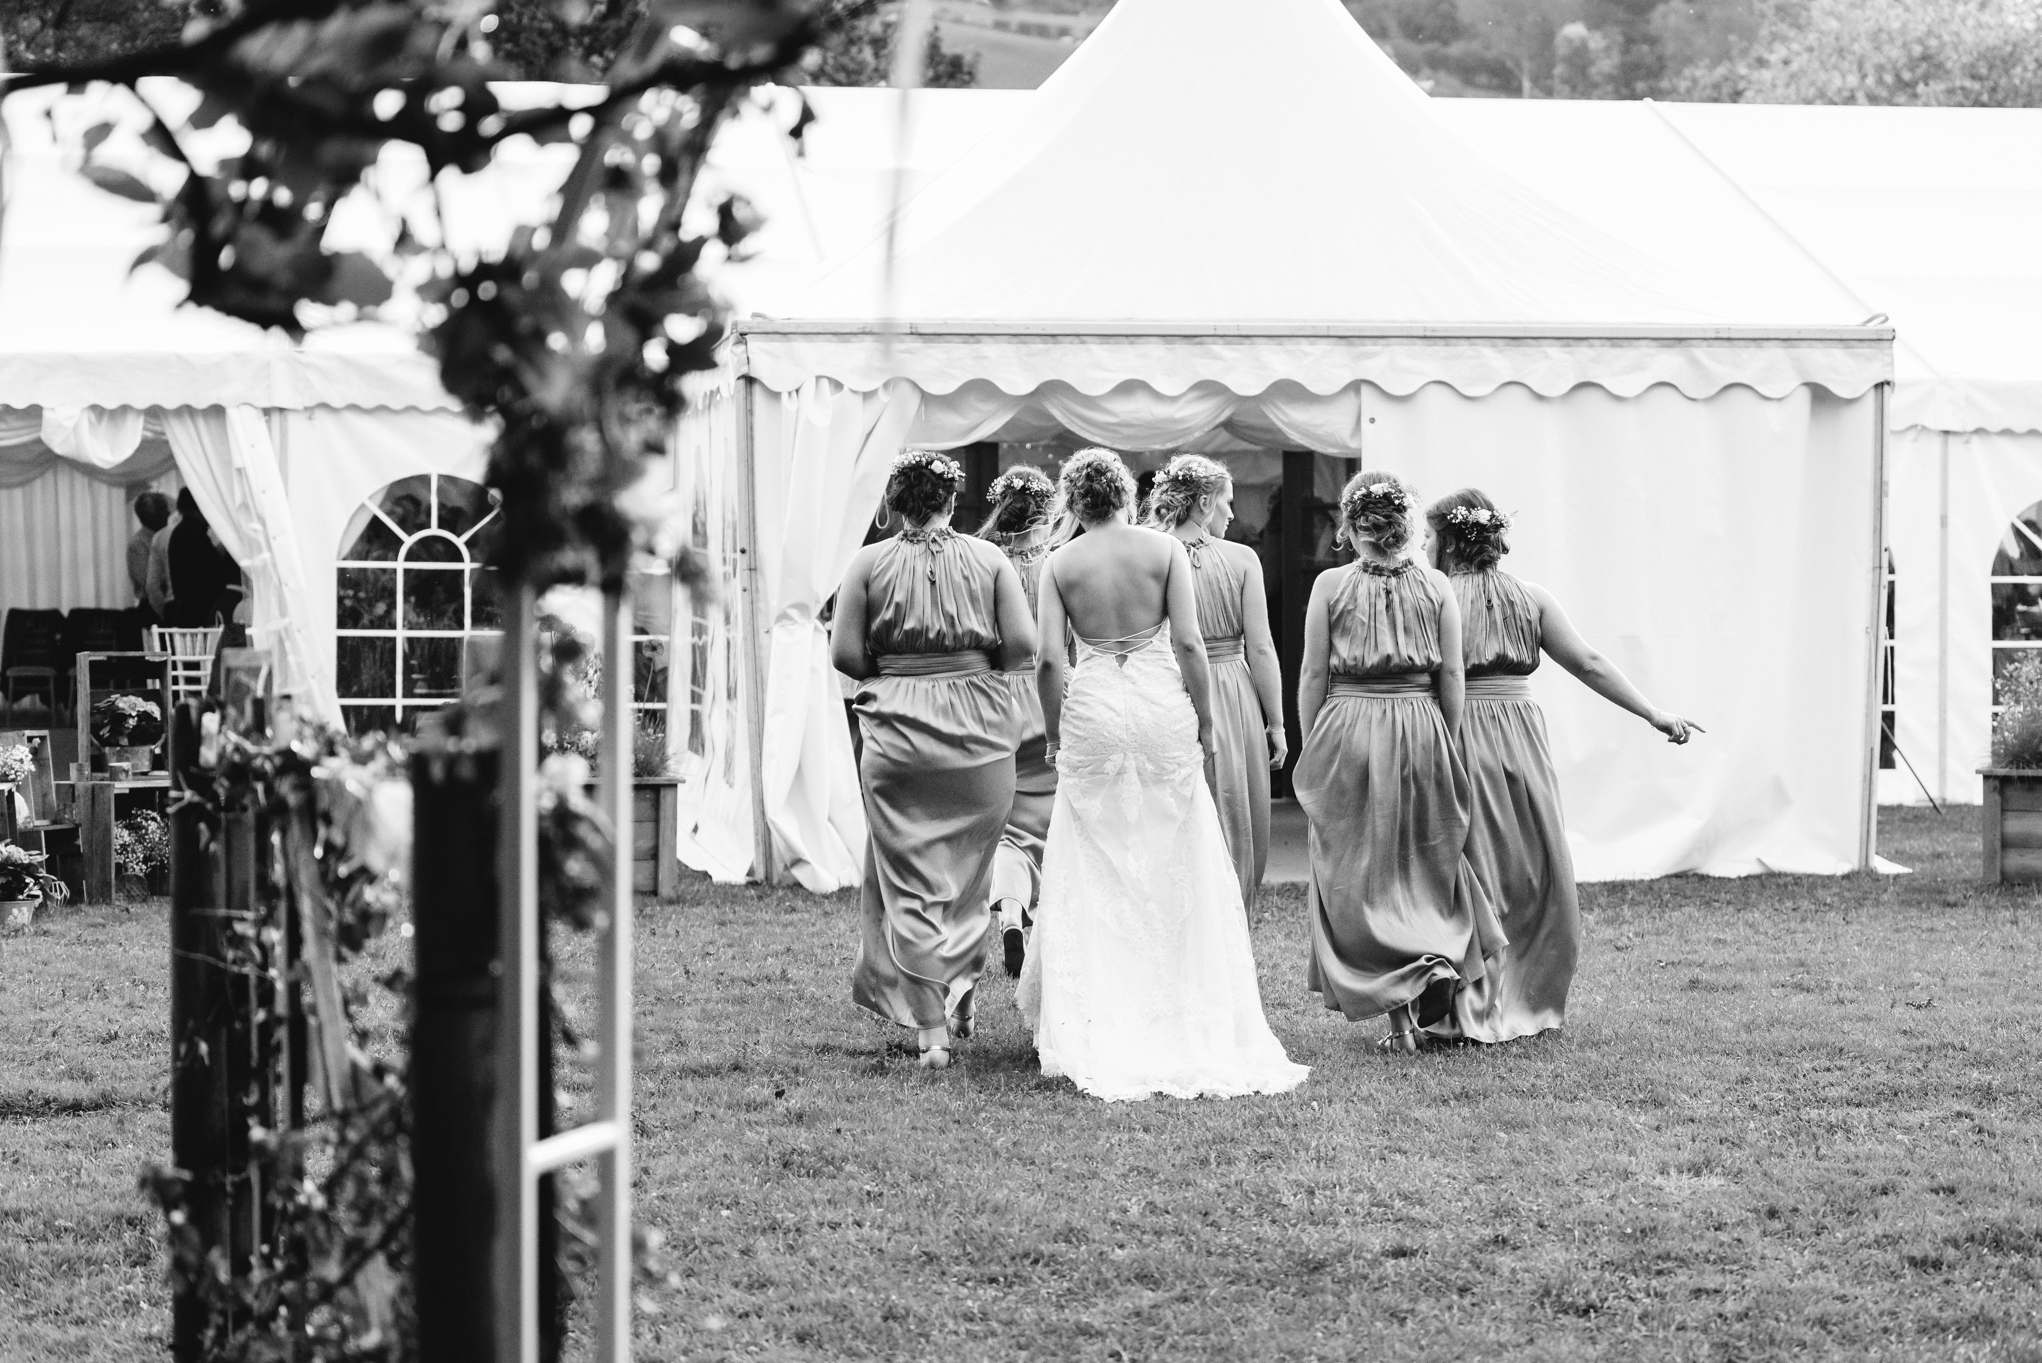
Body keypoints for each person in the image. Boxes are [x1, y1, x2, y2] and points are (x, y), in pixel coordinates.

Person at [1017, 448, 1307, 1102]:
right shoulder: (1163, 551)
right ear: (1124, 493)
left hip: (1092, 706)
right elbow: (1189, 643)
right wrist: (1205, 719)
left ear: (1074, 500)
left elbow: (1047, 661)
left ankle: (1097, 1010)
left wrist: (1058, 731)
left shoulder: (1059, 563)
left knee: (1094, 857)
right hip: (1157, 708)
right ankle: (1179, 1008)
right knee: (1176, 851)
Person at [1421, 489, 1701, 1044]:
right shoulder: (1533, 597)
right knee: (1529, 865)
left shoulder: (1435, 597)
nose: (1425, 546)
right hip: (1520, 734)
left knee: (1467, 865)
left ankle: (1467, 1007)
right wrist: (1654, 713)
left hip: (1454, 729)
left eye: (1430, 537)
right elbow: (1589, 663)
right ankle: (1521, 999)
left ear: (1451, 542)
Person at [832, 449, 1036, 1070]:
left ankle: (931, 1033)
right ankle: (964, 991)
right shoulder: (990, 557)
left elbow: (844, 654)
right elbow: (1023, 646)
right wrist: (970, 671)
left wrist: (897, 673)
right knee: (972, 874)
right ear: (952, 501)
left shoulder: (867, 562)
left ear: (895, 504)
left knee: (910, 880)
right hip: (979, 728)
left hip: (897, 730)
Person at [1293, 470, 1502, 1054]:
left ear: (1352, 525)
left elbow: (1313, 673)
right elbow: (1452, 673)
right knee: (1424, 860)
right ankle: (1431, 968)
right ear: (1405, 524)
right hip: (1420, 725)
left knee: (1357, 869)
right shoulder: (1437, 585)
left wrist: (1314, 743)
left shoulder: (1329, 585)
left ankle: (1399, 1022)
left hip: (1350, 726)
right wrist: (1448, 739)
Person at [1146, 454, 1285, 913]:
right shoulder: (1243, 559)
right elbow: (1261, 648)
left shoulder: (1147, 555)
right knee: (1236, 803)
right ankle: (1231, 915)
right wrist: (1277, 724)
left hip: (1165, 686)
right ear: (1204, 503)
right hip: (1230, 690)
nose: (1233, 513)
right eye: (1227, 502)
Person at [975, 465, 1058, 977]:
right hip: (1051, 695)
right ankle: (1050, 922)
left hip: (999, 700)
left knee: (1008, 831)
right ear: (1047, 513)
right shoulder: (1058, 563)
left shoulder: (985, 565)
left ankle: (1008, 910)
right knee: (1054, 825)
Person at [167, 490, 236, 628]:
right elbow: (209, 572)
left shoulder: (181, 531)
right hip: (198, 609)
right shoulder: (193, 533)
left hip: (187, 607)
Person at [127, 492, 173, 624]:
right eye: (162, 511)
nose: (168, 514)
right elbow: (149, 583)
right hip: (151, 608)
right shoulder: (138, 544)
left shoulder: (167, 536)